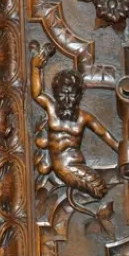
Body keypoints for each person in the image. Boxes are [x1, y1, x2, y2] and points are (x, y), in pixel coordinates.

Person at [30, 43, 119, 200]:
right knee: (99, 190)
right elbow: (37, 94)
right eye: (63, 95)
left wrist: (123, 151)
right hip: (61, 166)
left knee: (100, 189)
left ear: (78, 97)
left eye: (71, 95)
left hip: (76, 164)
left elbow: (105, 134)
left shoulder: (84, 117)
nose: (67, 100)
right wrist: (35, 68)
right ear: (57, 95)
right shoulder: (51, 109)